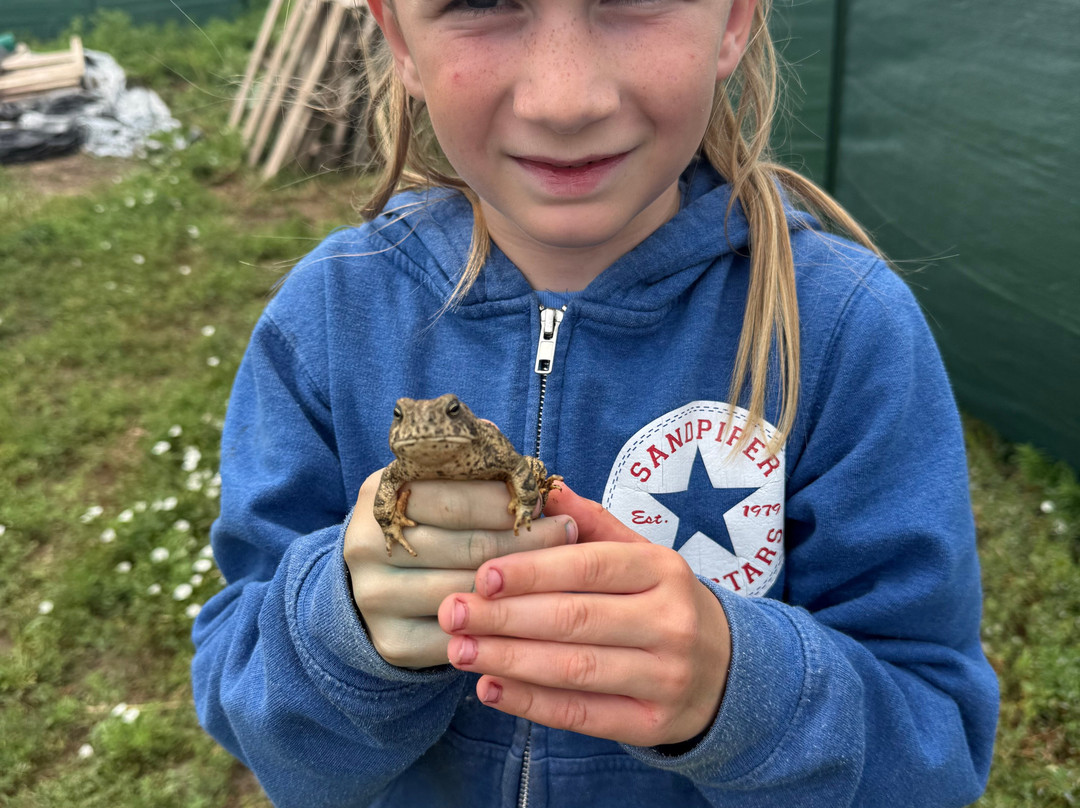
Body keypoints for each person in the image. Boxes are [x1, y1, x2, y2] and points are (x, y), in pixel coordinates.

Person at [191, 0, 999, 804]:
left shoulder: (845, 328)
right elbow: (250, 705)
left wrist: (737, 688)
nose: (564, 99)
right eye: (480, 2)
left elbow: (935, 749)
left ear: (733, 22)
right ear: (398, 37)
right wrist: (342, 631)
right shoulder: (327, 313)